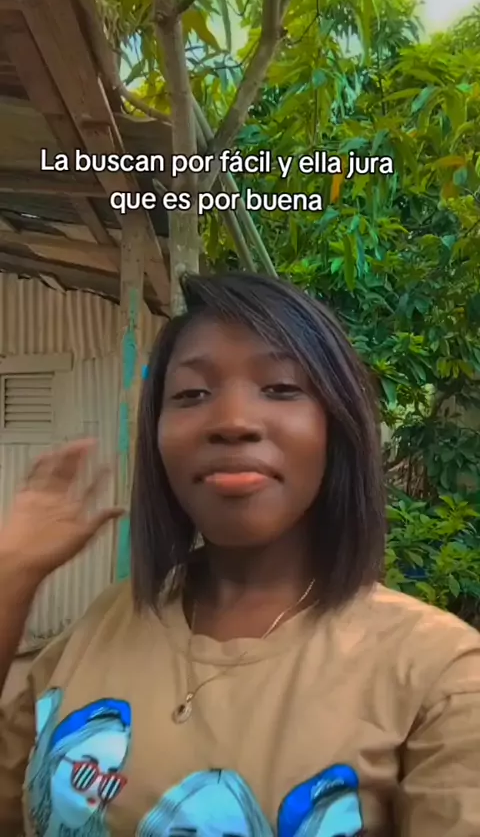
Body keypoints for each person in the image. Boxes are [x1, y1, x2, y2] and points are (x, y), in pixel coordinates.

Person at [0, 272, 478, 837]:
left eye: (280, 388)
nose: (231, 422)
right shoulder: (101, 625)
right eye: (191, 395)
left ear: (338, 427)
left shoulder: (440, 674)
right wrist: (12, 573)